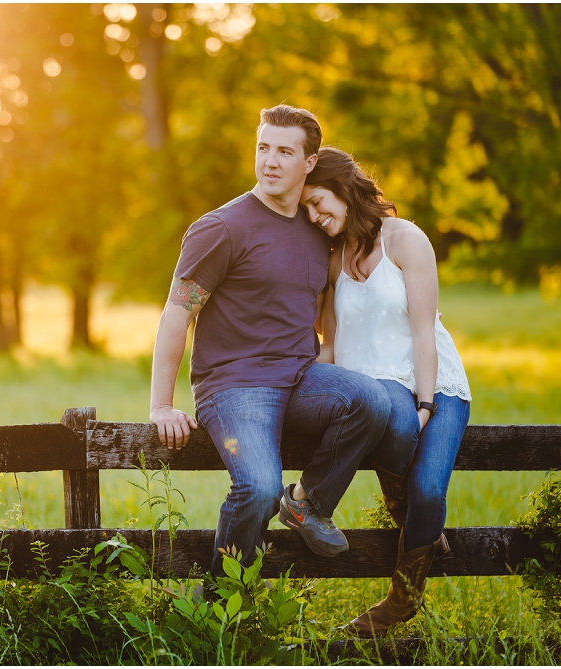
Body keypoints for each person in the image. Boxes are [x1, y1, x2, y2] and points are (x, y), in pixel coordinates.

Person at [149, 105, 391, 576]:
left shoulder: (317, 227)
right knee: (259, 488)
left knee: (372, 402)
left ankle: (306, 504)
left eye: (284, 151)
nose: (270, 161)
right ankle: (220, 604)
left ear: (310, 163)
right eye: (263, 148)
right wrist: (162, 405)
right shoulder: (221, 229)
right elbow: (176, 314)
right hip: (235, 387)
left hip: (300, 377)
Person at [301, 147, 473, 636]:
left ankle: (402, 598)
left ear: (342, 187)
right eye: (308, 211)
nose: (315, 216)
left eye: (318, 203)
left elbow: (424, 332)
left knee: (429, 490)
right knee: (394, 425)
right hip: (376, 393)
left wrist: (426, 402)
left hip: (435, 382)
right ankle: (422, 536)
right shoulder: (334, 261)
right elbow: (330, 345)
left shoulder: (407, 240)